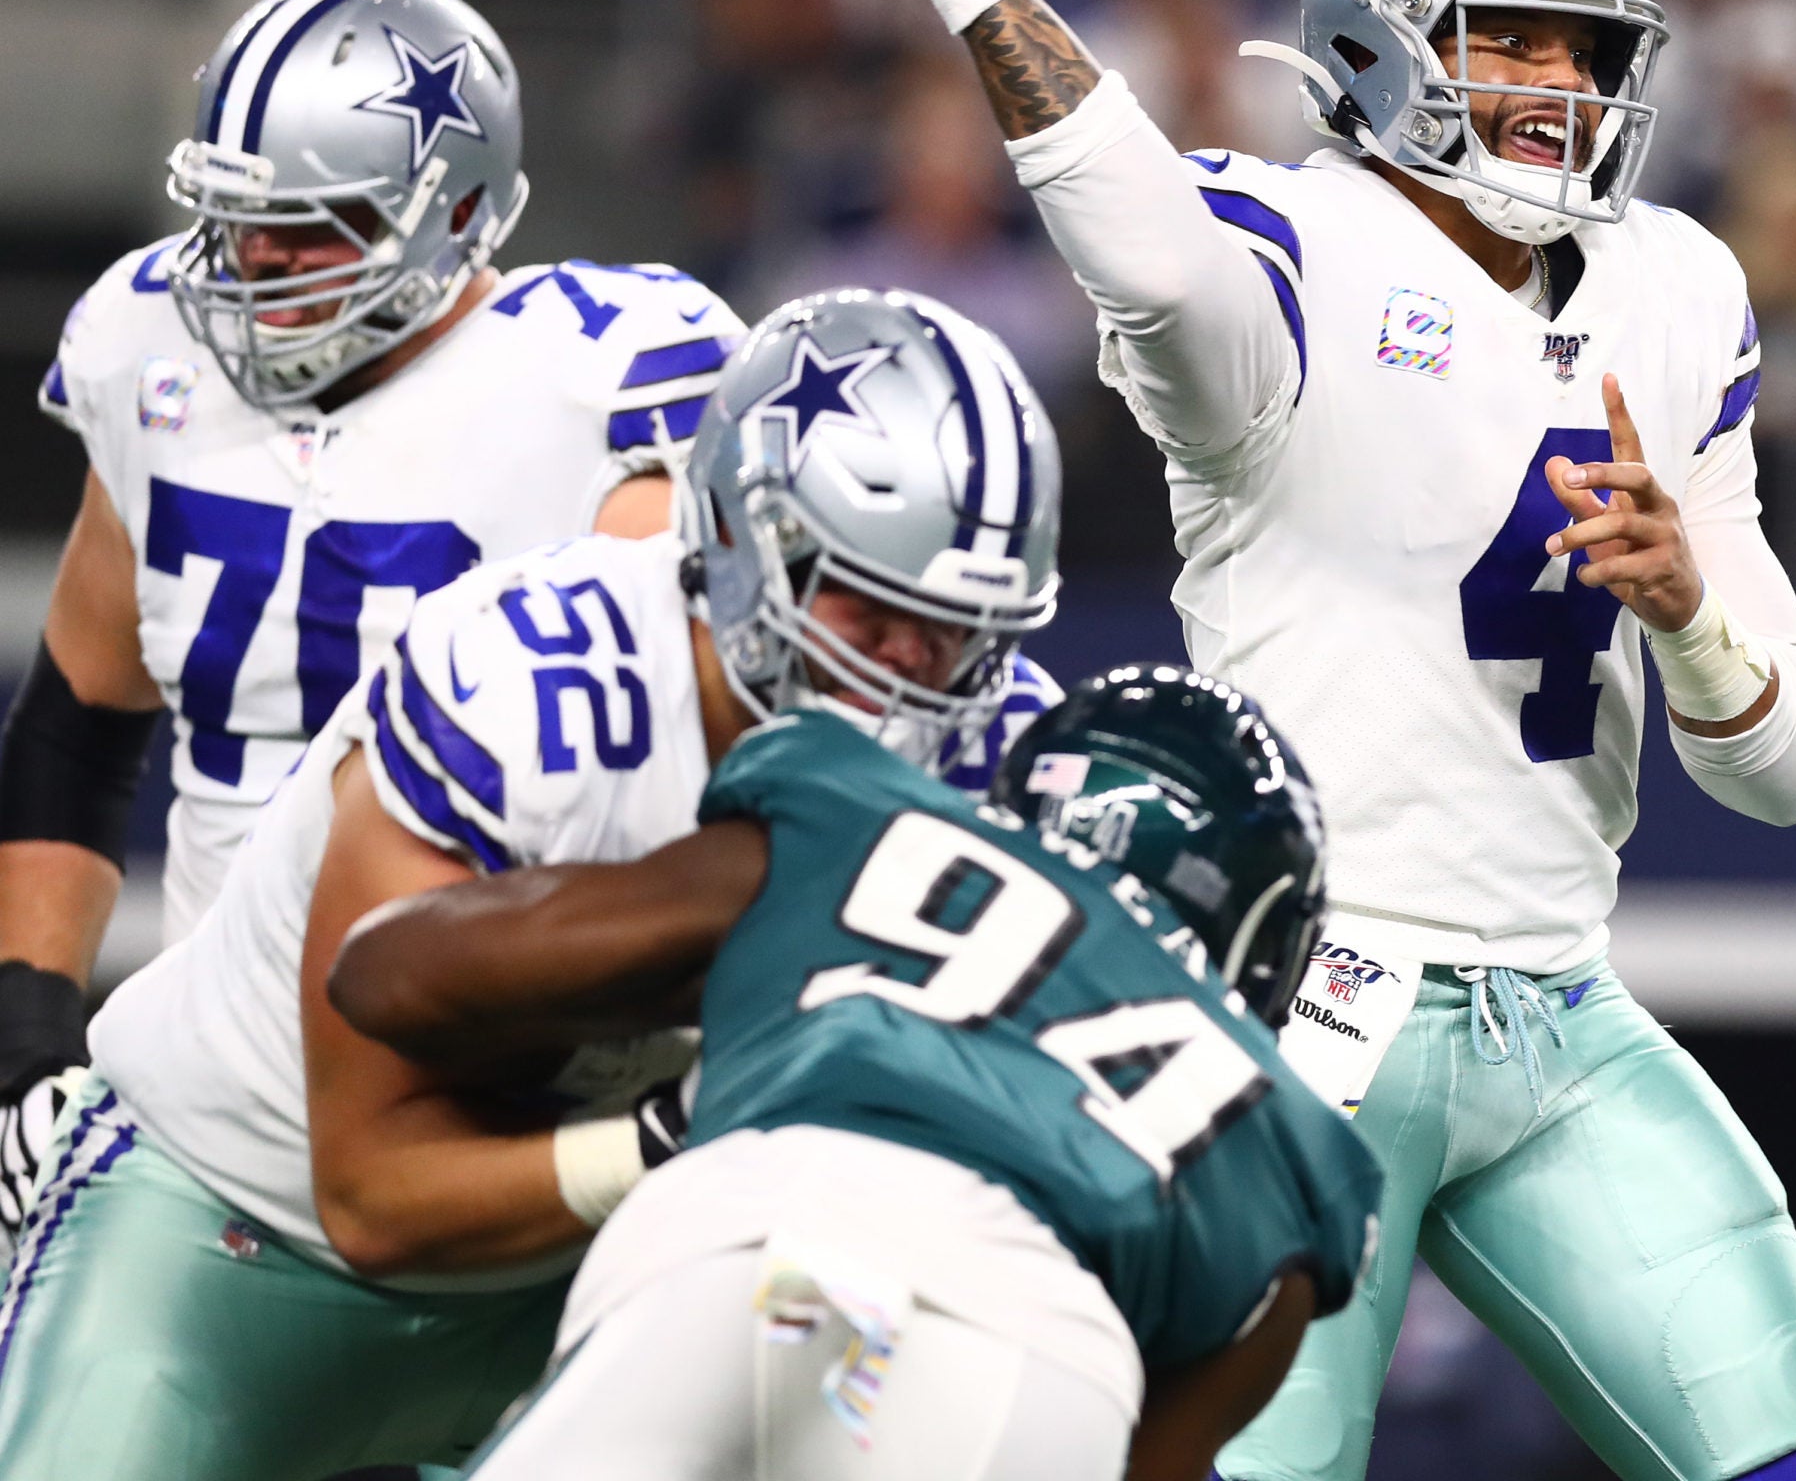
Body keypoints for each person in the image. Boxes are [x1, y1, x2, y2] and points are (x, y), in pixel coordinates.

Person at [804, 0, 1796, 1481]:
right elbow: (1144, 252)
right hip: (1308, 1009)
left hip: (1560, 1007)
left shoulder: (1677, 286)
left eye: (1585, 45)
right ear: (1381, 39)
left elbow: (1788, 773)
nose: (1555, 83)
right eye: (1504, 33)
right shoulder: (1285, 250)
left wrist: (1686, 605)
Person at [0, 289, 1063, 1479]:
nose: (916, 674)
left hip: (610, 1278)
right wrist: (680, 1138)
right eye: (871, 608)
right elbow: (373, 1193)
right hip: (242, 1212)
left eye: (957, 630)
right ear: (731, 540)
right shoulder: (523, 686)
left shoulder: (1010, 761)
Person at [0, 0, 747, 1239]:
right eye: (238, 217)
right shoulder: (149, 343)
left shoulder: (607, 380)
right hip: (208, 1100)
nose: (259, 258)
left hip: (517, 1076)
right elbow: (78, 714)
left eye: (318, 222)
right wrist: (25, 1038)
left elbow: (702, 762)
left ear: (457, 213)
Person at [326, 665, 1382, 1481]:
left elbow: (385, 975)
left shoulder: (866, 817)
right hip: (1035, 1366)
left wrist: (693, 1068)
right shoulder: (1293, 1142)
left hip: (769, 1246)